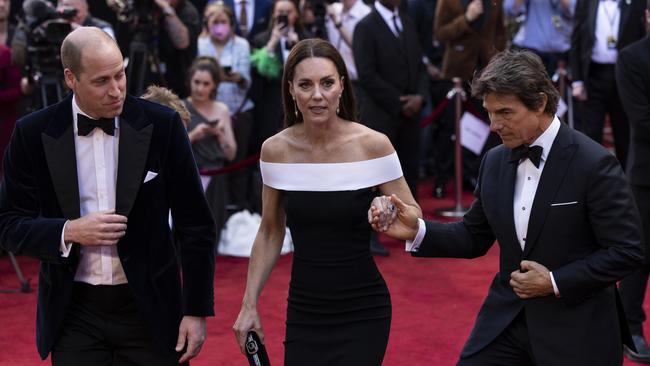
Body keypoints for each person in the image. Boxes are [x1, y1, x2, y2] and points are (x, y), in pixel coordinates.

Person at [371, 50, 644, 365]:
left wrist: (555, 281)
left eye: (505, 112)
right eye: (489, 112)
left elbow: (627, 251)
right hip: (507, 320)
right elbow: (474, 236)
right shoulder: (495, 160)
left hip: (575, 325)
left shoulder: (594, 163)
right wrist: (417, 231)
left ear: (540, 103)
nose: (493, 125)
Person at [0, 27, 216, 365]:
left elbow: (196, 225)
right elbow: (9, 225)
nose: (116, 90)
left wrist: (196, 310)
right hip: (75, 311)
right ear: (71, 78)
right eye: (102, 81)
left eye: (121, 74)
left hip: (150, 308)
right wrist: (68, 231)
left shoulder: (163, 125)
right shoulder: (33, 133)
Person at [232, 38, 421, 365]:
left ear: (341, 87)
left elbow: (414, 214)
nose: (317, 95)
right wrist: (249, 304)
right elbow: (269, 230)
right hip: (305, 309)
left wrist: (389, 209)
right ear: (291, 89)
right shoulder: (275, 151)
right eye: (305, 84)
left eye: (327, 83)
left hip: (364, 308)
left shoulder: (373, 145)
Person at [569, 0, 646, 171]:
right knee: (590, 135)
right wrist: (578, 80)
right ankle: (591, 182)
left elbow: (642, 40)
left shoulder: (636, 4)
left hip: (625, 75)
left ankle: (627, 183)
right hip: (593, 75)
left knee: (624, 132)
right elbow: (576, 39)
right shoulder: (585, 3)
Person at [616, 5, 650, 363]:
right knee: (640, 255)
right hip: (647, 176)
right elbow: (641, 121)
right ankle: (631, 329)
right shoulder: (632, 58)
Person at [199, 2, 255, 210]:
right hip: (209, 112)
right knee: (214, 164)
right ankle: (215, 207)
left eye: (223, 22)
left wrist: (235, 77)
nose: (219, 27)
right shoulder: (201, 44)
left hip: (239, 110)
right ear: (208, 25)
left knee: (238, 163)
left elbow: (246, 78)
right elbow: (200, 74)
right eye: (215, 23)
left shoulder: (241, 44)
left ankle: (238, 208)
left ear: (231, 24)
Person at [184, 56, 237, 242]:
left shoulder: (221, 110)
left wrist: (220, 135)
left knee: (214, 229)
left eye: (206, 83)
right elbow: (170, 151)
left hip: (217, 178)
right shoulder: (181, 108)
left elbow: (231, 154)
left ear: (214, 86)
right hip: (192, 177)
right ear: (190, 80)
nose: (200, 88)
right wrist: (194, 135)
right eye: (196, 82)